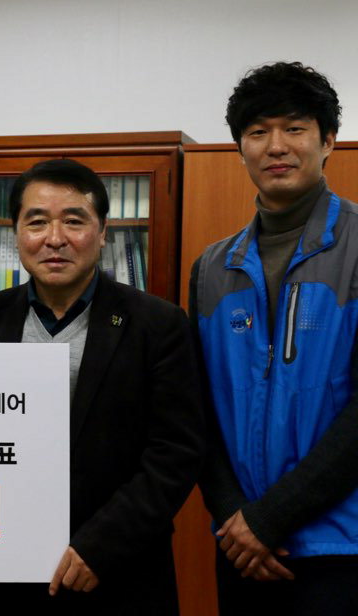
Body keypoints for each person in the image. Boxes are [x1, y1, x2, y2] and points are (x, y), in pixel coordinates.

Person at [0, 159, 203, 614]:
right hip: (1, 569)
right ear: (16, 233)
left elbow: (175, 452)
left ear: (102, 231)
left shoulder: (158, 324)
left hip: (117, 573)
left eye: (74, 221)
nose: (55, 238)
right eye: (37, 222)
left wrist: (101, 545)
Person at [191, 62, 358, 615]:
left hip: (340, 547)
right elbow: (199, 409)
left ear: (328, 140)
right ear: (240, 148)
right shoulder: (212, 268)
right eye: (258, 131)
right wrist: (235, 518)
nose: (276, 146)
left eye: (294, 128)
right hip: (240, 547)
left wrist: (271, 518)